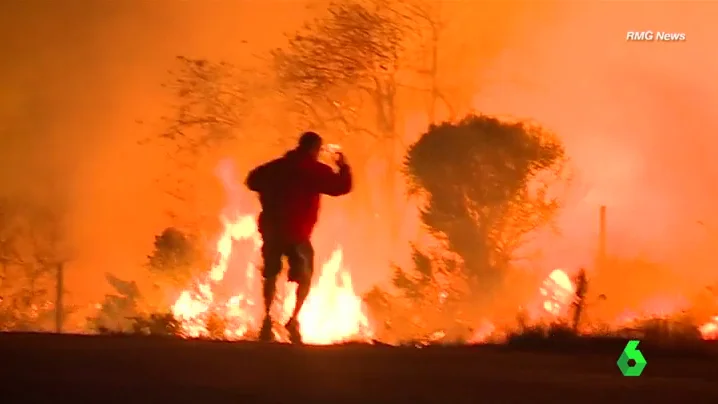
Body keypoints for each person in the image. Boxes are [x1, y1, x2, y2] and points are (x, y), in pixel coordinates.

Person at [245, 131, 352, 343]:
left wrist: (269, 193)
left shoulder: (276, 167)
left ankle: (267, 321)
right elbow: (342, 187)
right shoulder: (313, 171)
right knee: (305, 275)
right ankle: (293, 320)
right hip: (297, 234)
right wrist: (343, 166)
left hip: (273, 232)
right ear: (315, 149)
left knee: (271, 274)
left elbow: (252, 180)